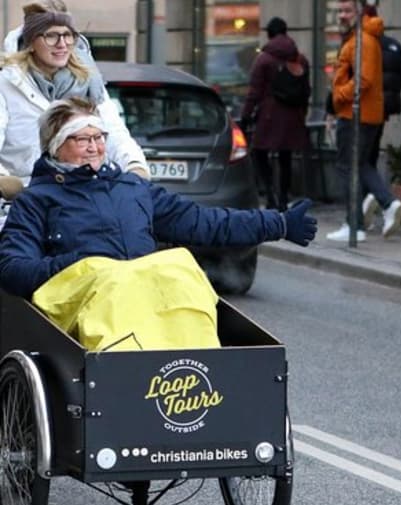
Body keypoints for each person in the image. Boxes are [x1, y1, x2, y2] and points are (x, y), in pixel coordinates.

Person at [0, 97, 317, 350]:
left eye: (99, 137)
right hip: (83, 314)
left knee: (180, 267)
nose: (94, 146)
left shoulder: (133, 189)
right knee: (112, 278)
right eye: (82, 139)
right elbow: (13, 269)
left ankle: (200, 366)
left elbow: (204, 222)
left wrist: (279, 223)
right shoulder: (36, 200)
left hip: (141, 299)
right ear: (56, 145)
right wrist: (79, 265)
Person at [0, 1, 149, 223]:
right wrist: (4, 181)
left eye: (68, 35)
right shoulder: (7, 84)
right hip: (22, 204)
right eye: (51, 36)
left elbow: (115, 133)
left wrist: (135, 166)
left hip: (83, 198)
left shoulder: (89, 82)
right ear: (31, 42)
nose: (62, 44)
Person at [326, 1, 401, 242]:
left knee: (347, 167)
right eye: (339, 11)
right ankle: (380, 208)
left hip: (355, 115)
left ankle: (357, 223)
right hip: (361, 114)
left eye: (347, 11)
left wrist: (339, 97)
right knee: (359, 165)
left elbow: (364, 79)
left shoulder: (364, 40)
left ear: (360, 12)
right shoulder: (358, 38)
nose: (342, 15)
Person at [240, 16, 311, 211]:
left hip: (269, 116)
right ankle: (282, 199)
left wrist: (245, 117)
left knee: (259, 154)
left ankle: (270, 196)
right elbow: (306, 91)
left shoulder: (264, 59)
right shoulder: (300, 59)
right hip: (293, 117)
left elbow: (254, 92)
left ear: (269, 34)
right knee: (285, 158)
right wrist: (302, 114)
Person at [362, 7, 401, 220]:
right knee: (370, 155)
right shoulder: (394, 46)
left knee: (359, 159)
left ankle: (372, 202)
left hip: (366, 108)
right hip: (384, 109)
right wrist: (392, 91)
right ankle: (368, 203)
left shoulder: (364, 45)